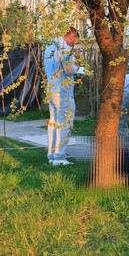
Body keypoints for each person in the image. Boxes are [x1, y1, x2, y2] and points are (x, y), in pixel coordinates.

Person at [44, 27, 79, 166]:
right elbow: (69, 69)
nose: (75, 42)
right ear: (71, 35)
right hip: (63, 91)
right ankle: (59, 157)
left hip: (51, 89)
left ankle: (52, 155)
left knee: (53, 123)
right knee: (65, 124)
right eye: (75, 38)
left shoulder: (50, 48)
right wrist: (77, 67)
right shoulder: (65, 50)